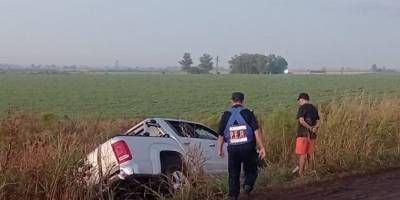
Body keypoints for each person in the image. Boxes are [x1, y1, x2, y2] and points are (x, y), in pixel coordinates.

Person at [217, 92, 266, 200]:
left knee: (233, 172)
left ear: (231, 101)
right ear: (243, 101)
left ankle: (232, 195)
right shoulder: (248, 113)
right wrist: (262, 147)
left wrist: (219, 150)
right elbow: (256, 131)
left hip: (232, 149)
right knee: (252, 168)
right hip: (248, 147)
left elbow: (220, 135)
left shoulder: (225, 115)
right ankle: (248, 184)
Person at [294, 93, 320, 176]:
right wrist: (314, 128)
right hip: (312, 135)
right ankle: (311, 171)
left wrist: (309, 128)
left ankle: (301, 173)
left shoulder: (302, 108)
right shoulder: (314, 108)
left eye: (299, 100)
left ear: (302, 99)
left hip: (302, 134)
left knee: (303, 154)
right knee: (310, 154)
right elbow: (318, 122)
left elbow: (301, 120)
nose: (299, 102)